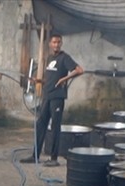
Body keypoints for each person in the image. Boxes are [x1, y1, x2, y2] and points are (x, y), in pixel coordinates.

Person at [26, 34, 83, 167]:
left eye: (58, 42)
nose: (56, 45)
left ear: (61, 43)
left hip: (57, 97)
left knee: (55, 127)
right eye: (54, 42)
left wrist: (64, 79)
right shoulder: (50, 58)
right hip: (47, 95)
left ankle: (54, 158)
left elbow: (80, 70)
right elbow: (50, 78)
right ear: (50, 44)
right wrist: (38, 80)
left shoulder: (65, 58)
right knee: (40, 125)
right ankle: (35, 155)